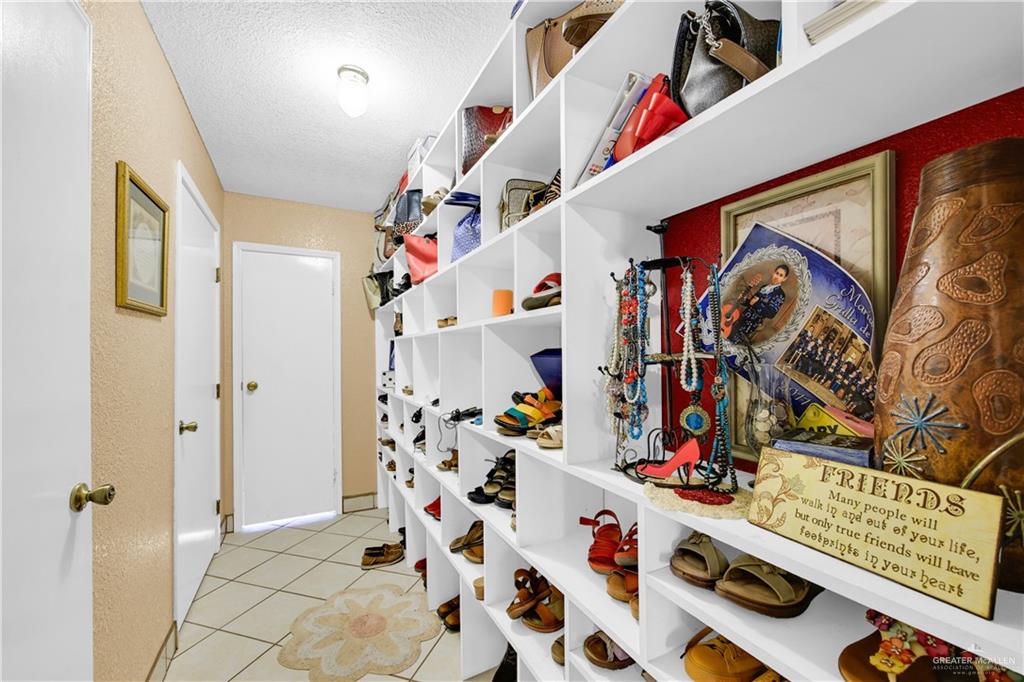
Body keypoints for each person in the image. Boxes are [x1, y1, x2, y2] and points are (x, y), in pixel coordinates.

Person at [733, 263, 790, 341]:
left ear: (784, 279)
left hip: (752, 324)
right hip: (742, 317)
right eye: (777, 273)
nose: (777, 277)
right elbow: (750, 303)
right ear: (773, 273)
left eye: (781, 275)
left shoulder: (780, 294)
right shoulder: (764, 287)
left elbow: (771, 314)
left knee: (735, 341)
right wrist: (743, 299)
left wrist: (757, 303)